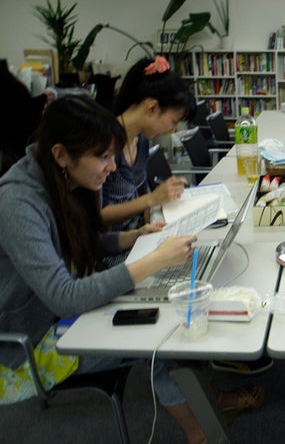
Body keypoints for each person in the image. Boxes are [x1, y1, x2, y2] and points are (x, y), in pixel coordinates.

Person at [0, 96, 263, 444]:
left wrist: (132, 237)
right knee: (167, 338)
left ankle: (208, 405)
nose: (111, 167)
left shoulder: (60, 176)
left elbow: (78, 244)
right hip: (31, 344)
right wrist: (154, 260)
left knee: (174, 315)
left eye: (112, 155)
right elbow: (64, 297)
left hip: (70, 307)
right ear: (61, 154)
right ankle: (201, 433)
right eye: (103, 157)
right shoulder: (18, 202)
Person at [101, 56, 193, 233]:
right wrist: (153, 199)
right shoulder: (103, 145)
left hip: (139, 236)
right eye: (173, 122)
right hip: (116, 245)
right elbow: (99, 216)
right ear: (152, 108)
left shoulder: (141, 141)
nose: (173, 130)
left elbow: (143, 200)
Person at [0, 59, 54, 175]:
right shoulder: (11, 84)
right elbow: (22, 109)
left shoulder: (8, 86)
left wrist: (42, 99)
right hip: (19, 150)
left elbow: (19, 108)